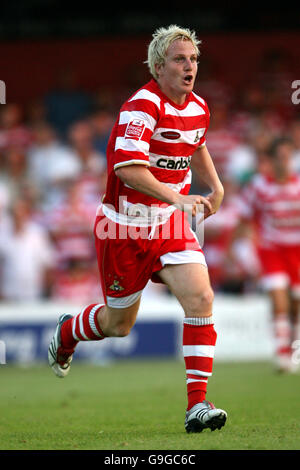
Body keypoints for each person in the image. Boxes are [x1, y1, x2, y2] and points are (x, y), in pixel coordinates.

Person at [48, 25, 227, 433]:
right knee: (118, 325)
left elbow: (195, 142)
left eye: (194, 59)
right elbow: (127, 170)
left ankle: (196, 406)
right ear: (158, 65)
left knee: (200, 296)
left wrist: (216, 186)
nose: (190, 67)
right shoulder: (141, 106)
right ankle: (68, 330)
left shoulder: (198, 106)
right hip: (124, 229)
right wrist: (179, 197)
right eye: (180, 59)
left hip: (167, 223)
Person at [237, 137, 300, 373]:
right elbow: (245, 218)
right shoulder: (259, 185)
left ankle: (294, 348)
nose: (284, 162)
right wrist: (242, 248)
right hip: (272, 249)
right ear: (272, 160)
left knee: (296, 304)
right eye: (280, 157)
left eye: (288, 157)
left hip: (297, 251)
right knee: (278, 298)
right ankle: (282, 352)